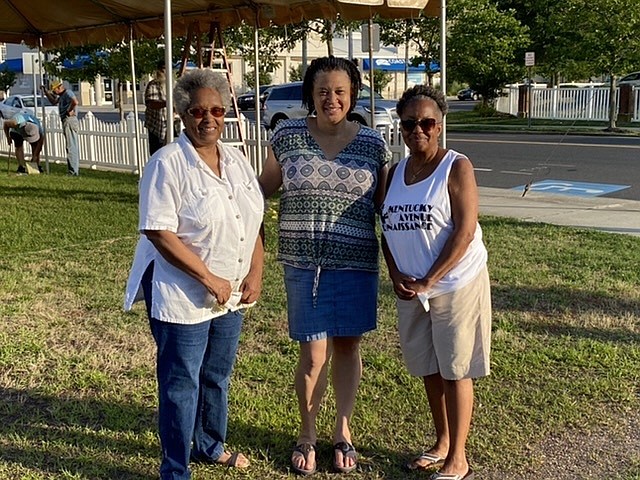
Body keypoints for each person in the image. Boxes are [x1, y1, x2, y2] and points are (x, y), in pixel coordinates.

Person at [123, 68, 264, 480]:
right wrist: (208, 279)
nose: (209, 118)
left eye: (217, 110)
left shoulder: (237, 159)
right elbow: (158, 230)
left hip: (232, 293)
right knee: (181, 384)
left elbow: (250, 218)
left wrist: (255, 269)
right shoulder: (167, 163)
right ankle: (175, 468)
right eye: (199, 110)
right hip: (183, 294)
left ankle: (209, 444)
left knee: (216, 375)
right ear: (183, 115)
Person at [259, 56, 390, 476]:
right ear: (309, 95)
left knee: (348, 347)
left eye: (339, 91)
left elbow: (387, 206)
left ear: (352, 95)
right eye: (321, 91)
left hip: (355, 263)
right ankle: (307, 433)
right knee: (313, 355)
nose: (330, 99)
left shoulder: (373, 144)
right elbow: (259, 189)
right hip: (303, 264)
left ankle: (343, 432)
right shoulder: (287, 135)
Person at [380, 84, 491, 480]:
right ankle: (442, 442)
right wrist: (396, 275)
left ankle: (458, 458)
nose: (418, 130)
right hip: (413, 289)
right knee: (429, 368)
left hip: (455, 285)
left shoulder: (456, 166)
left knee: (455, 369)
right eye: (409, 123)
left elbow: (465, 231)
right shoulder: (393, 173)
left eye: (427, 122)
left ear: (440, 125)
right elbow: (386, 231)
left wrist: (431, 278)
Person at [41, 80, 80, 176]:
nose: (54, 93)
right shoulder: (62, 95)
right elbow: (54, 101)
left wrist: (69, 110)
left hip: (69, 120)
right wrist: (46, 92)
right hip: (66, 120)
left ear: (59, 87)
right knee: (70, 146)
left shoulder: (68, 93)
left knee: (71, 147)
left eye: (54, 91)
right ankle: (73, 170)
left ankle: (73, 172)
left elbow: (75, 101)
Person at [145, 61, 169, 155]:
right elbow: (151, 103)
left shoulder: (173, 84)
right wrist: (167, 103)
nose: (165, 72)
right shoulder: (153, 85)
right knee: (158, 155)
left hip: (173, 125)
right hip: (157, 127)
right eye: (163, 69)